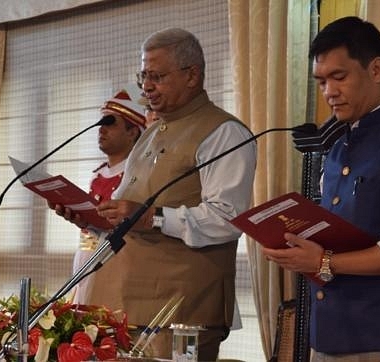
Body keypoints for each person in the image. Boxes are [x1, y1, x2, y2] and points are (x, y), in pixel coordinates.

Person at [261, 16, 380, 361]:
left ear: (376, 69)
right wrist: (297, 247)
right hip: (330, 334)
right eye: (321, 82)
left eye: (339, 77)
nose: (328, 92)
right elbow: (334, 240)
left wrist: (323, 260)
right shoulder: (339, 146)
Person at [64, 28, 256, 360]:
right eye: (144, 76)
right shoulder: (150, 135)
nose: (147, 86)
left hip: (178, 314)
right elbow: (127, 217)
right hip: (119, 307)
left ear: (192, 75)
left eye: (157, 76)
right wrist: (91, 219)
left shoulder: (223, 132)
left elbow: (227, 218)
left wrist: (152, 217)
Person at [65, 86, 147, 303]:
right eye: (101, 123)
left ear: (132, 132)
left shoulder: (138, 175)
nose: (101, 130)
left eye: (110, 124)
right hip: (85, 257)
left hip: (115, 265)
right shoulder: (97, 175)